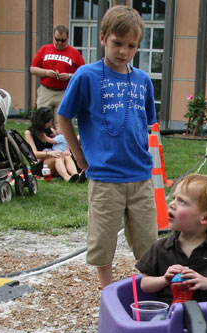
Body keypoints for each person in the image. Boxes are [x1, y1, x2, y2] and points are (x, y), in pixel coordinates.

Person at [57, 6, 157, 289]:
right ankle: (107, 291)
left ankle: (148, 289)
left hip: (140, 176)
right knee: (102, 240)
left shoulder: (142, 80)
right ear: (103, 38)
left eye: (131, 46)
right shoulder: (86, 76)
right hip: (105, 177)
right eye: (117, 43)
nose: (123, 51)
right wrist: (79, 156)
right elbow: (64, 115)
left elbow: (145, 123)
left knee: (148, 241)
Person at [136, 174, 207, 303]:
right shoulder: (161, 247)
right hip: (168, 313)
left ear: (204, 218)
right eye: (174, 198)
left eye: (182, 201)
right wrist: (164, 279)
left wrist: (206, 282)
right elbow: (145, 284)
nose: (172, 204)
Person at [30, 25, 84, 119]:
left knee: (62, 122)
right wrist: (47, 73)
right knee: (41, 121)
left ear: (67, 38)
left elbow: (83, 73)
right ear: (53, 37)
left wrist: (69, 76)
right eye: (57, 39)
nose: (59, 43)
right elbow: (33, 69)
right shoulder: (44, 49)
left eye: (62, 40)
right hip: (46, 91)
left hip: (64, 92)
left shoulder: (74, 53)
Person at [24, 107, 81, 182]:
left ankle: (75, 175)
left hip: (56, 161)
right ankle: (66, 177)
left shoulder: (50, 131)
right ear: (42, 122)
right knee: (57, 156)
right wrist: (50, 153)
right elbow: (33, 154)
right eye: (48, 122)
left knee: (64, 155)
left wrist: (65, 150)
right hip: (40, 164)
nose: (50, 124)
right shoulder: (29, 133)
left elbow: (60, 143)